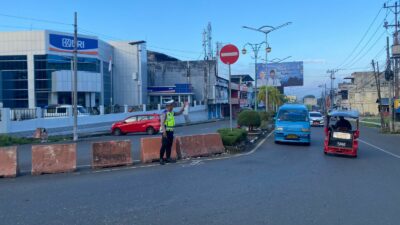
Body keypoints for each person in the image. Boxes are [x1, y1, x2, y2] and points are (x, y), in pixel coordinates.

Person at [159, 100, 185, 165]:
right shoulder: (164, 113)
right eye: (171, 105)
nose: (172, 107)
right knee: (164, 145)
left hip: (171, 131)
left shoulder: (172, 112)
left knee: (169, 145)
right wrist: (164, 132)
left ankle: (168, 158)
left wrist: (183, 107)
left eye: (172, 105)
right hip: (165, 131)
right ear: (168, 106)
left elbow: (179, 113)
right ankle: (161, 158)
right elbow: (162, 123)